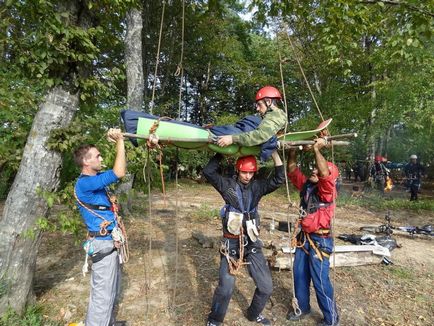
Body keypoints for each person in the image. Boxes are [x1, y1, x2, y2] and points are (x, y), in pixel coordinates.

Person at [203, 151, 284, 326]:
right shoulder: (227, 185)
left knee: (266, 287)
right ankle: (214, 319)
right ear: (238, 170)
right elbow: (208, 172)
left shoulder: (258, 187)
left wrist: (275, 155)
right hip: (231, 242)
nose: (247, 176)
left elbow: (278, 180)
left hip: (252, 241)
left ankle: (254, 314)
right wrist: (223, 152)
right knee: (225, 289)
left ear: (254, 173)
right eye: (244, 172)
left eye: (250, 173)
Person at [73, 128, 126, 326]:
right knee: (102, 296)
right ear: (86, 161)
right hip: (103, 242)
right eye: (97, 156)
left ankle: (109, 323)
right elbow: (119, 172)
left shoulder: (94, 181)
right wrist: (120, 141)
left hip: (109, 241)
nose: (100, 158)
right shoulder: (85, 184)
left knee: (112, 289)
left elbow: (115, 168)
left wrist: (117, 146)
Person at [286, 138, 339, 326]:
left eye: (318, 169)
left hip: (320, 240)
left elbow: (325, 173)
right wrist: (292, 151)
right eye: (314, 169)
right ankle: (302, 307)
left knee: (320, 281)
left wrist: (317, 149)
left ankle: (331, 319)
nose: (314, 171)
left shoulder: (327, 190)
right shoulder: (308, 185)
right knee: (299, 273)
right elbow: (292, 170)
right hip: (304, 239)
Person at [217, 86, 288, 148]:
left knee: (224, 132)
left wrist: (233, 139)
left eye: (259, 104)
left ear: (269, 102)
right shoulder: (270, 115)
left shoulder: (276, 115)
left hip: (245, 137)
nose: (257, 109)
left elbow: (261, 135)